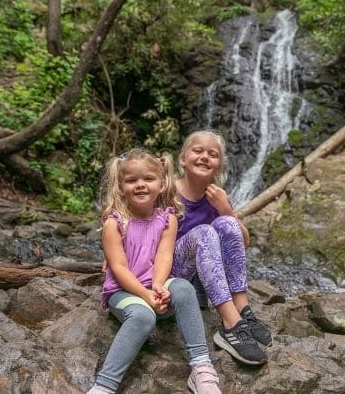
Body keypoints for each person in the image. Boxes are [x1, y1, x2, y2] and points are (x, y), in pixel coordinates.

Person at [87, 148, 221, 394]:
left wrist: (158, 286)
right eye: (131, 180)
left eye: (148, 179)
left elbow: (164, 256)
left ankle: (201, 366)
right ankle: (104, 386)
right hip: (123, 291)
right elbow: (118, 268)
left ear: (161, 184)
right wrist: (145, 295)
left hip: (155, 288)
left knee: (182, 286)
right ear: (120, 186)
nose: (140, 185)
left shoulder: (168, 218)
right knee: (142, 316)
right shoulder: (114, 223)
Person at [171, 130, 272, 366]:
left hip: (204, 278)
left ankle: (243, 311)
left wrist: (227, 210)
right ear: (182, 159)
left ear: (218, 167)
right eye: (198, 151)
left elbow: (241, 243)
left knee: (227, 223)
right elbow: (137, 220)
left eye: (212, 154)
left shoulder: (216, 196)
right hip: (172, 270)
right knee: (205, 232)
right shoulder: (167, 191)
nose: (205, 156)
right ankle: (230, 325)